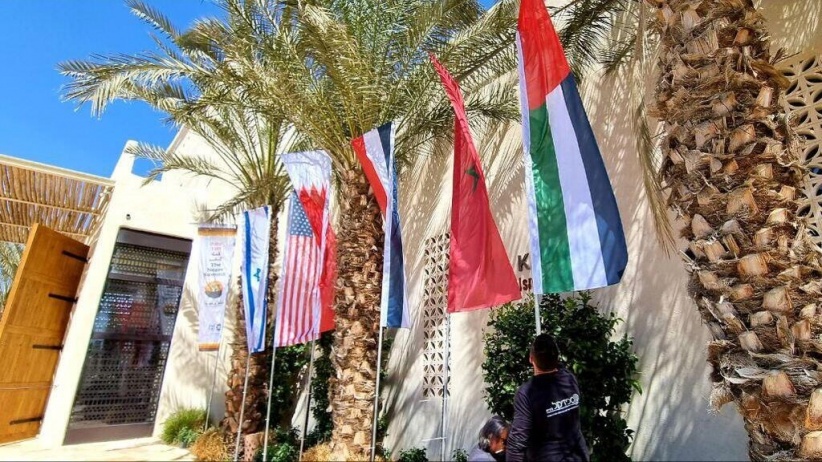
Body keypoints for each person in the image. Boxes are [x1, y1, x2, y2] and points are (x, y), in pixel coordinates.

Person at [505, 334, 589, 462]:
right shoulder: (569, 378)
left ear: (531, 358)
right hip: (578, 456)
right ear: (556, 357)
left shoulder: (527, 393)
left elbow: (517, 441)